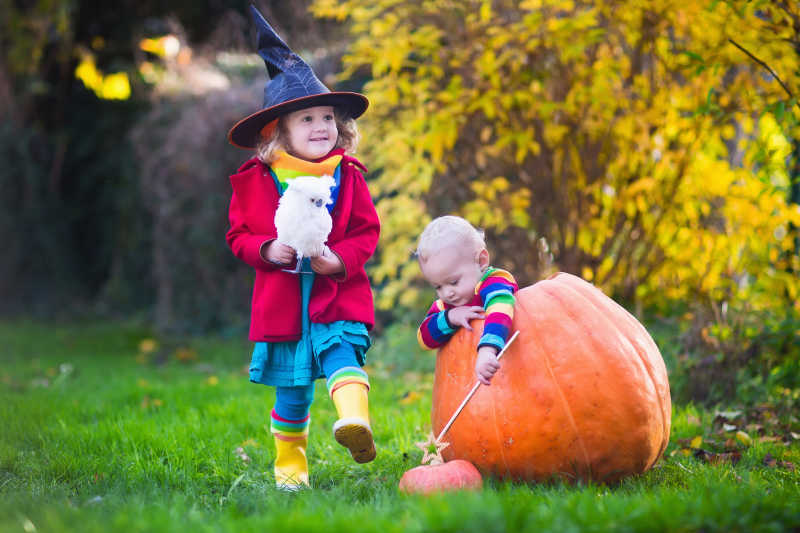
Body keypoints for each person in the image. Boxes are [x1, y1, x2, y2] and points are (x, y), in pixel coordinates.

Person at [225, 6, 379, 491]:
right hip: (285, 303)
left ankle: (356, 423)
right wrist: (267, 249)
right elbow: (238, 236)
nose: (321, 127)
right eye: (307, 118)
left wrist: (340, 260)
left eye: (328, 118)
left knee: (342, 356)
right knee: (292, 394)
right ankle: (291, 471)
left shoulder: (347, 176)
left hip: (337, 293)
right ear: (278, 131)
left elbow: (365, 232)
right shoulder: (256, 181)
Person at [416, 216, 518, 385]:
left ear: (481, 261)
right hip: (465, 386)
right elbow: (424, 338)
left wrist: (487, 350)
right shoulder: (445, 307)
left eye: (454, 282)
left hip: (511, 371)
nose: (447, 293)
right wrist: (450, 318)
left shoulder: (494, 283)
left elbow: (500, 307)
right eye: (438, 287)